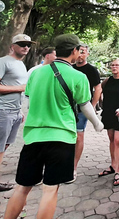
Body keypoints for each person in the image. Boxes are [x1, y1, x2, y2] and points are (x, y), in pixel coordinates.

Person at [4, 34, 104, 219]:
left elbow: (28, 100)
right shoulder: (78, 76)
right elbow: (85, 105)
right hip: (62, 139)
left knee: (22, 188)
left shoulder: (36, 73)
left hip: (33, 137)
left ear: (57, 51)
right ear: (74, 51)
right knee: (50, 190)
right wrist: (98, 124)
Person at [0, 34, 34, 192]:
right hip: (3, 111)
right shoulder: (3, 62)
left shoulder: (21, 64)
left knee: (5, 145)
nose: (26, 47)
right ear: (12, 46)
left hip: (14, 112)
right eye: (22, 44)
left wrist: (19, 112)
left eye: (28, 44)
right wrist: (21, 88)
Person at [71, 44, 102, 182]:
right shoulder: (70, 68)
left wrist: (92, 106)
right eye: (79, 52)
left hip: (83, 108)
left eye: (83, 52)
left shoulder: (91, 70)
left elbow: (98, 89)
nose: (81, 55)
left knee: (79, 136)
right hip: (67, 108)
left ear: (87, 54)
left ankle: (73, 167)